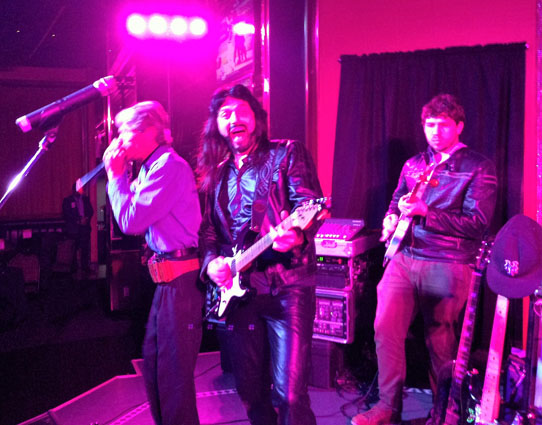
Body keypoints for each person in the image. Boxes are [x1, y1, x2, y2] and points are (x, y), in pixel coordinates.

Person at [351, 94, 498, 425]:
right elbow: (395, 202)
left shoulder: (478, 166)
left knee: (440, 339)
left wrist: (426, 212)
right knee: (385, 329)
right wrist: (390, 218)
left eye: (443, 125)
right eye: (430, 125)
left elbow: (478, 223)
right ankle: (388, 407)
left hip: (449, 260)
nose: (435, 131)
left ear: (459, 126)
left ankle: (444, 411)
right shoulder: (414, 164)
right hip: (404, 258)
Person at [197, 84, 323, 425]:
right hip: (239, 293)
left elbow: (310, 205)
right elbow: (208, 230)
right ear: (216, 124)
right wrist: (211, 264)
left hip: (287, 287)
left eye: (241, 111)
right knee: (251, 392)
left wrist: (296, 235)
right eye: (225, 114)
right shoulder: (216, 172)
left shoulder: (286, 153)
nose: (234, 119)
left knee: (290, 395)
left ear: (256, 118)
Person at [103, 101, 203, 425]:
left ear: (148, 130)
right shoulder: (150, 167)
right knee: (156, 367)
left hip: (180, 282)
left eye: (124, 132)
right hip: (166, 282)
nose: (119, 140)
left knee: (173, 377)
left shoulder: (169, 167)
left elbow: (130, 221)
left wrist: (115, 176)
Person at [62, 184, 93, 272]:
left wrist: (86, 218)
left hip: (85, 228)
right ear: (73, 190)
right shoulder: (67, 200)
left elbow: (91, 211)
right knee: (73, 249)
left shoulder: (85, 199)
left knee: (85, 248)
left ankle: (85, 267)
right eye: (78, 189)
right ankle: (73, 268)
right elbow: (67, 214)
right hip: (73, 229)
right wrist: (78, 220)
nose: (79, 191)